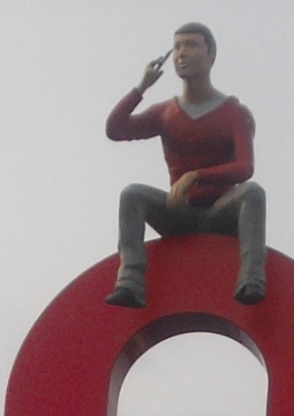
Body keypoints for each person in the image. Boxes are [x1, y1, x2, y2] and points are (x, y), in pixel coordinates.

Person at [104, 23, 266, 308]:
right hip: (180, 212)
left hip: (221, 214)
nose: (182, 53)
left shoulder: (234, 112)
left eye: (191, 45)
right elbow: (115, 130)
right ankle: (130, 281)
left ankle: (252, 279)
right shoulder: (166, 112)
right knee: (132, 194)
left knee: (252, 192)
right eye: (177, 46)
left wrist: (196, 176)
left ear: (211, 54)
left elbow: (245, 167)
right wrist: (141, 87)